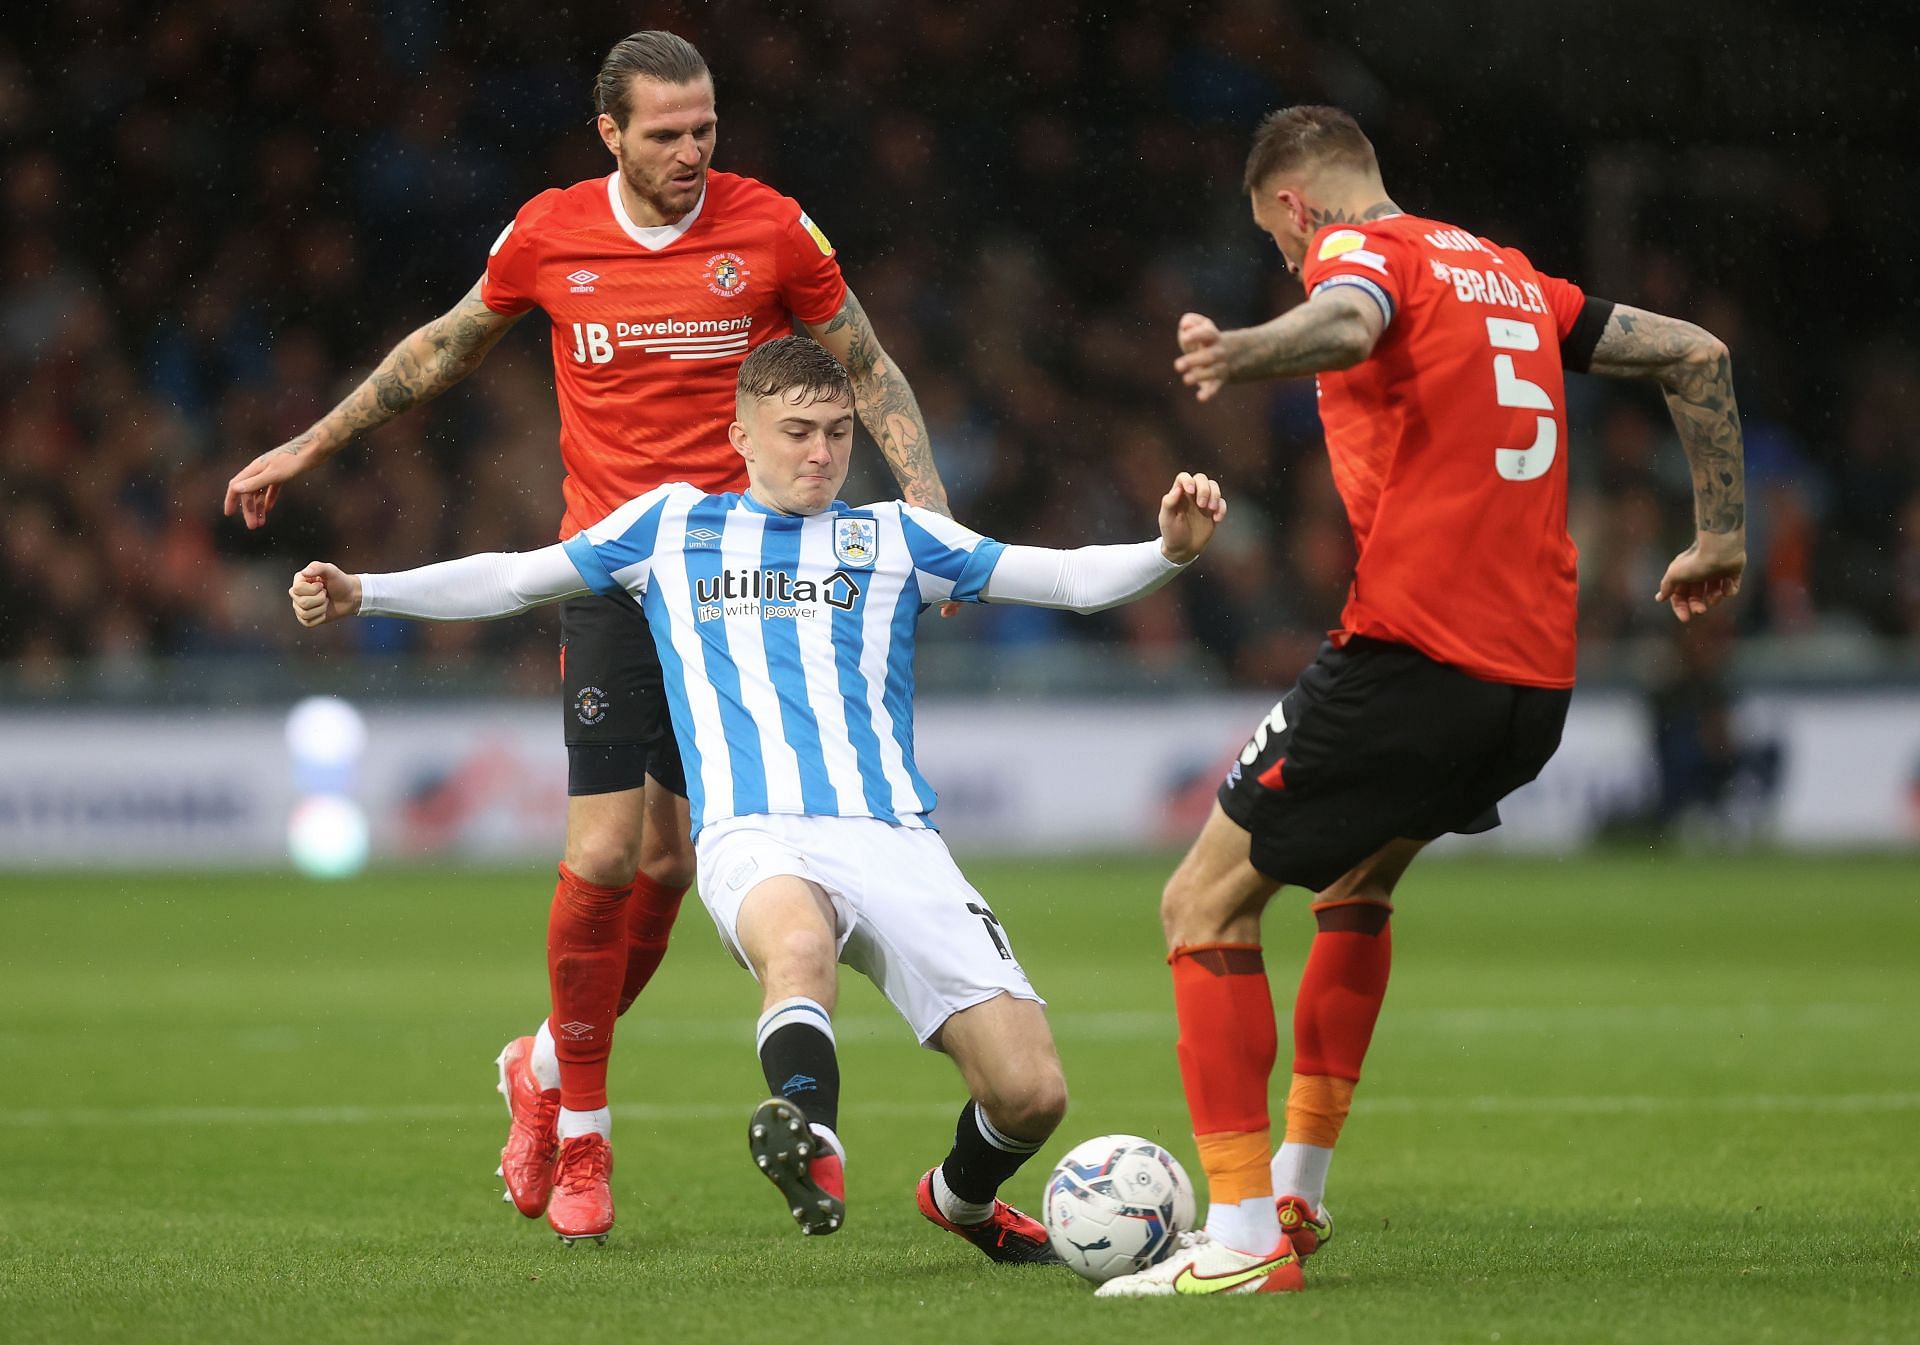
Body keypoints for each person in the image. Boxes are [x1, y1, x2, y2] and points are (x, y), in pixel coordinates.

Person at [222, 32, 951, 1243]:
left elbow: (865, 368)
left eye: (706, 128)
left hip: (732, 590)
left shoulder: (770, 228)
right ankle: (585, 1135)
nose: (690, 152)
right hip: (617, 578)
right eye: (665, 133)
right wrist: (312, 445)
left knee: (673, 867)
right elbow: (442, 347)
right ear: (607, 133)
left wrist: (925, 513)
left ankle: (543, 1069)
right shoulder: (552, 232)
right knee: (608, 850)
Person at [286, 335, 1225, 1255]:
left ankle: (958, 1197)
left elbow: (1061, 576)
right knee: (799, 943)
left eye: (839, 433)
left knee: (1031, 1093)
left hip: (896, 835)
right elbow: (511, 578)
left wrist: (1168, 550)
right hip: (754, 834)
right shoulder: (668, 526)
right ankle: (811, 1137)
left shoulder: (896, 535)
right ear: (739, 436)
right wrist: (365, 590)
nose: (822, 453)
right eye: (798, 431)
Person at [1095, 106, 1747, 1297]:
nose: (1289, 259)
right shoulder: (1507, 275)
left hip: (1412, 657)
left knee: (1200, 906)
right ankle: (1296, 1188)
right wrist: (1721, 535)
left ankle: (1239, 1244)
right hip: (1532, 686)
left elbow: (1346, 319)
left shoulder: (1360, 254)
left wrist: (1246, 349)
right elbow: (1696, 352)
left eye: (1276, 239)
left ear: (1295, 206)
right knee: (1356, 881)